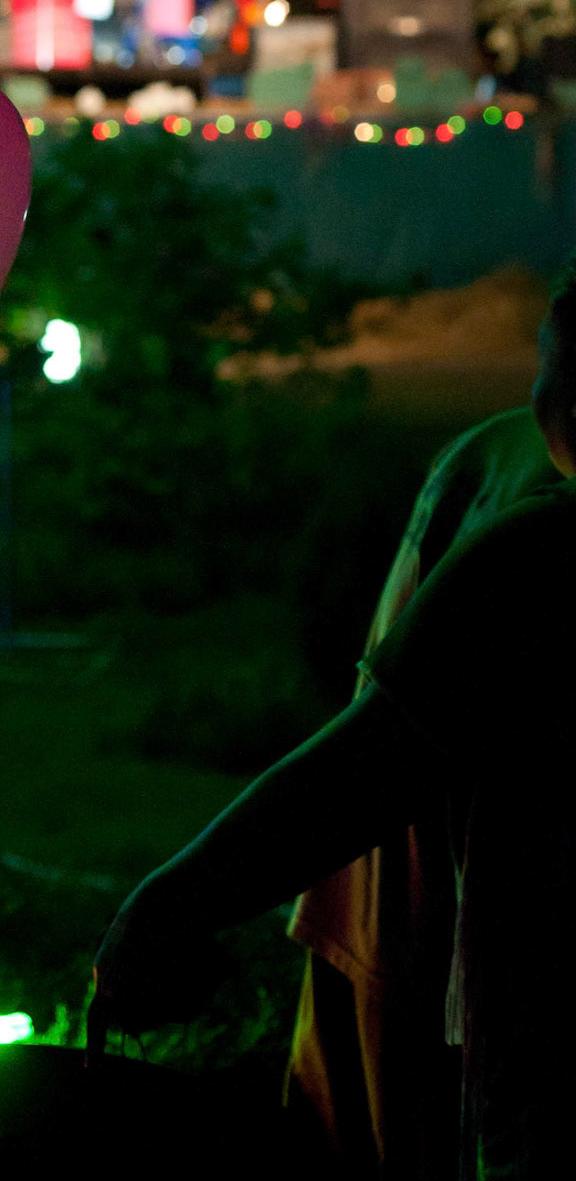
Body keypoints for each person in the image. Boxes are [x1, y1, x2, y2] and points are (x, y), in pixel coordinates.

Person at [89, 269, 576, 1180]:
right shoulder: (496, 490)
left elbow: (358, 774)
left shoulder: (536, 555)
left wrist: (166, 908)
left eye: (550, 364)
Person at [286, 393, 568, 1176]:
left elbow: (375, 753)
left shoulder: (532, 535)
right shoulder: (484, 468)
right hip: (420, 939)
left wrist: (173, 904)